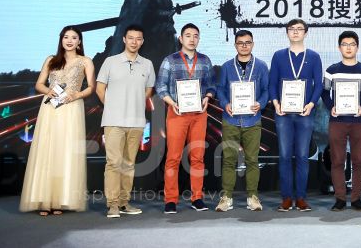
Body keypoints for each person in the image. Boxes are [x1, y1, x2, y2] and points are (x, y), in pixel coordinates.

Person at [20, 26, 95, 215]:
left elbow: (91, 87)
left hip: (71, 108)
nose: (69, 40)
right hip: (50, 108)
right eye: (66, 37)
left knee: (65, 151)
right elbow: (39, 84)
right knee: (47, 150)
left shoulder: (85, 61)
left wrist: (77, 95)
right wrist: (49, 91)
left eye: (74, 37)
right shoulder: (51, 60)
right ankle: (44, 200)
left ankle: (60, 200)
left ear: (80, 41)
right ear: (61, 40)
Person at [155, 23, 216, 214]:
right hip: (177, 113)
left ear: (199, 39)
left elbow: (211, 85)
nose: (192, 39)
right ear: (180, 39)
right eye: (188, 35)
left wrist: (207, 97)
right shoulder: (170, 60)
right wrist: (171, 103)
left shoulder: (205, 60)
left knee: (197, 157)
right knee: (173, 157)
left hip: (199, 114)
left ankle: (197, 198)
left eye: (195, 36)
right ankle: (170, 200)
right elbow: (160, 86)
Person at [96, 24, 156, 218]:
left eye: (138, 39)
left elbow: (148, 90)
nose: (134, 42)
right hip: (113, 121)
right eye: (131, 38)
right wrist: (113, 106)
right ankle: (112, 204)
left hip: (136, 121)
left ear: (142, 41)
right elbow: (100, 89)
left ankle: (124, 202)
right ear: (124, 39)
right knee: (114, 162)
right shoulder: (110, 62)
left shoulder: (147, 64)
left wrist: (134, 104)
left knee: (128, 163)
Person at [269, 18, 323, 212]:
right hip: (283, 113)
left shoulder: (314, 56)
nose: (295, 32)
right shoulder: (278, 56)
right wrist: (276, 103)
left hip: (305, 113)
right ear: (287, 32)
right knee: (284, 156)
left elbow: (318, 84)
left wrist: (311, 104)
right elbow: (272, 83)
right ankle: (286, 198)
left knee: (302, 155)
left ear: (305, 33)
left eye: (299, 29)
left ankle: (300, 198)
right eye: (292, 29)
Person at [215, 29, 269, 213]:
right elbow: (220, 89)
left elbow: (266, 90)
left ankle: (252, 197)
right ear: (235, 45)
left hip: (252, 120)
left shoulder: (261, 66)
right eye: (240, 43)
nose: (244, 46)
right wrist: (225, 103)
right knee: (229, 160)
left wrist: (260, 103)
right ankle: (226, 197)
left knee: (252, 160)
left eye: (247, 42)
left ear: (252, 44)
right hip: (230, 119)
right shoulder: (227, 67)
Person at [321, 31, 361, 212]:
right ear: (339, 47)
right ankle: (340, 199)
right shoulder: (332, 70)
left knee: (359, 161)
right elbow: (324, 92)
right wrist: (331, 107)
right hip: (337, 121)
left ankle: (357, 199)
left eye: (352, 44)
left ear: (357, 47)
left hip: (359, 121)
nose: (348, 48)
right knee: (337, 161)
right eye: (345, 44)